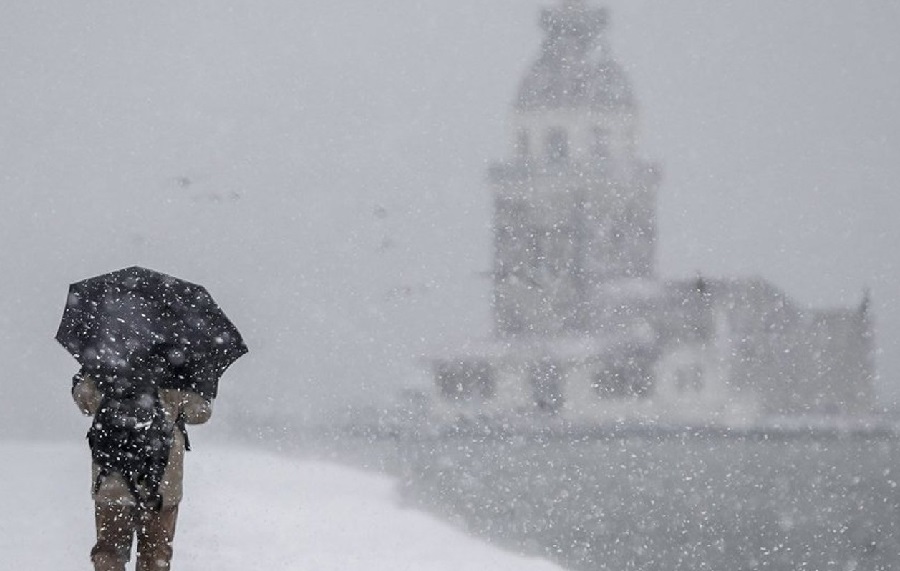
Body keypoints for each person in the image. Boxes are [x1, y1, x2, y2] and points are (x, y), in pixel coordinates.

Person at [72, 367, 213, 571]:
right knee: (155, 552)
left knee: (110, 550)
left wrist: (83, 379)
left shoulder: (106, 360)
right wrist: (198, 385)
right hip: (162, 477)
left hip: (113, 475)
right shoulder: (179, 361)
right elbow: (199, 413)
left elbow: (86, 402)